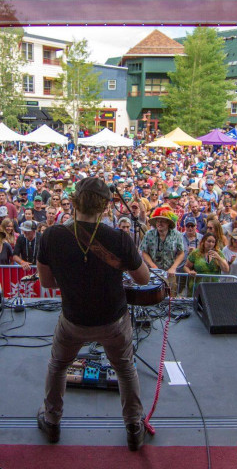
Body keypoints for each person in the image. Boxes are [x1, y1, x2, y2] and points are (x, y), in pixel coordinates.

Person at [36, 177, 149, 450]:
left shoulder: (52, 235)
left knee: (58, 366)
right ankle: (134, 427)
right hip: (113, 320)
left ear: (74, 202)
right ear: (106, 207)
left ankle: (52, 422)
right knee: (124, 369)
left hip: (73, 320)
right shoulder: (119, 239)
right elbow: (143, 279)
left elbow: (47, 283)